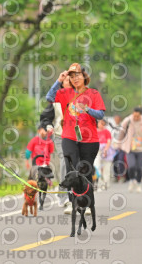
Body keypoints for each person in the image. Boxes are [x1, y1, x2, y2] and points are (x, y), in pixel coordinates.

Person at [46, 63, 105, 215]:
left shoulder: (93, 93)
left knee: (85, 170)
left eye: (77, 75)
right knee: (71, 169)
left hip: (89, 138)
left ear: (84, 76)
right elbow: (50, 97)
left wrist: (87, 109)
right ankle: (72, 202)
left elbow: (100, 114)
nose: (75, 78)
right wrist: (59, 81)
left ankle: (86, 202)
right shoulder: (65, 93)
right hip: (69, 136)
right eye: (71, 76)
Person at [38, 76, 72, 206]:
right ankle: (63, 195)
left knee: (76, 164)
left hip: (77, 136)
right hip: (60, 135)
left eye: (72, 79)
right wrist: (48, 126)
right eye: (67, 80)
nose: (70, 81)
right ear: (62, 84)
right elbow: (45, 117)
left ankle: (76, 193)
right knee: (65, 161)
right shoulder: (56, 99)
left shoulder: (80, 97)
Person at [118, 107, 142, 193]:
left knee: (139, 168)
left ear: (141, 115)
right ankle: (132, 181)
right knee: (131, 166)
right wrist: (119, 143)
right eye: (134, 116)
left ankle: (138, 184)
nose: (135, 118)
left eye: (137, 116)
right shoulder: (128, 120)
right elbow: (121, 132)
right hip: (130, 148)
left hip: (141, 148)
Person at [94, 119, 115, 191]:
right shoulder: (95, 131)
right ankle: (99, 183)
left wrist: (105, 150)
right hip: (97, 151)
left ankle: (106, 183)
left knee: (106, 168)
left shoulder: (107, 132)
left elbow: (109, 141)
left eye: (103, 124)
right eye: (101, 123)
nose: (102, 125)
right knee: (97, 167)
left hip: (106, 151)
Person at [110, 115, 128, 182]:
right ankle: (115, 176)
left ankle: (122, 176)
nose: (116, 120)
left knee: (120, 160)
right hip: (113, 148)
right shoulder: (112, 127)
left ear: (120, 119)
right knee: (114, 161)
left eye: (118, 119)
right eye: (115, 119)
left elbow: (125, 137)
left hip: (121, 148)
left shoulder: (122, 127)